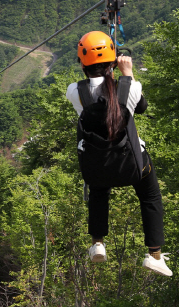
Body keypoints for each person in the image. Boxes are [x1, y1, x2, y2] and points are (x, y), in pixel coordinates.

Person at [66, 31, 172, 277]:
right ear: (113, 61)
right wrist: (127, 73)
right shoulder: (131, 87)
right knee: (150, 197)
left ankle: (98, 243)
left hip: (99, 165)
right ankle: (154, 255)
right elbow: (141, 106)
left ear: (82, 63)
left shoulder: (75, 91)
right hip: (132, 165)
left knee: (99, 188)